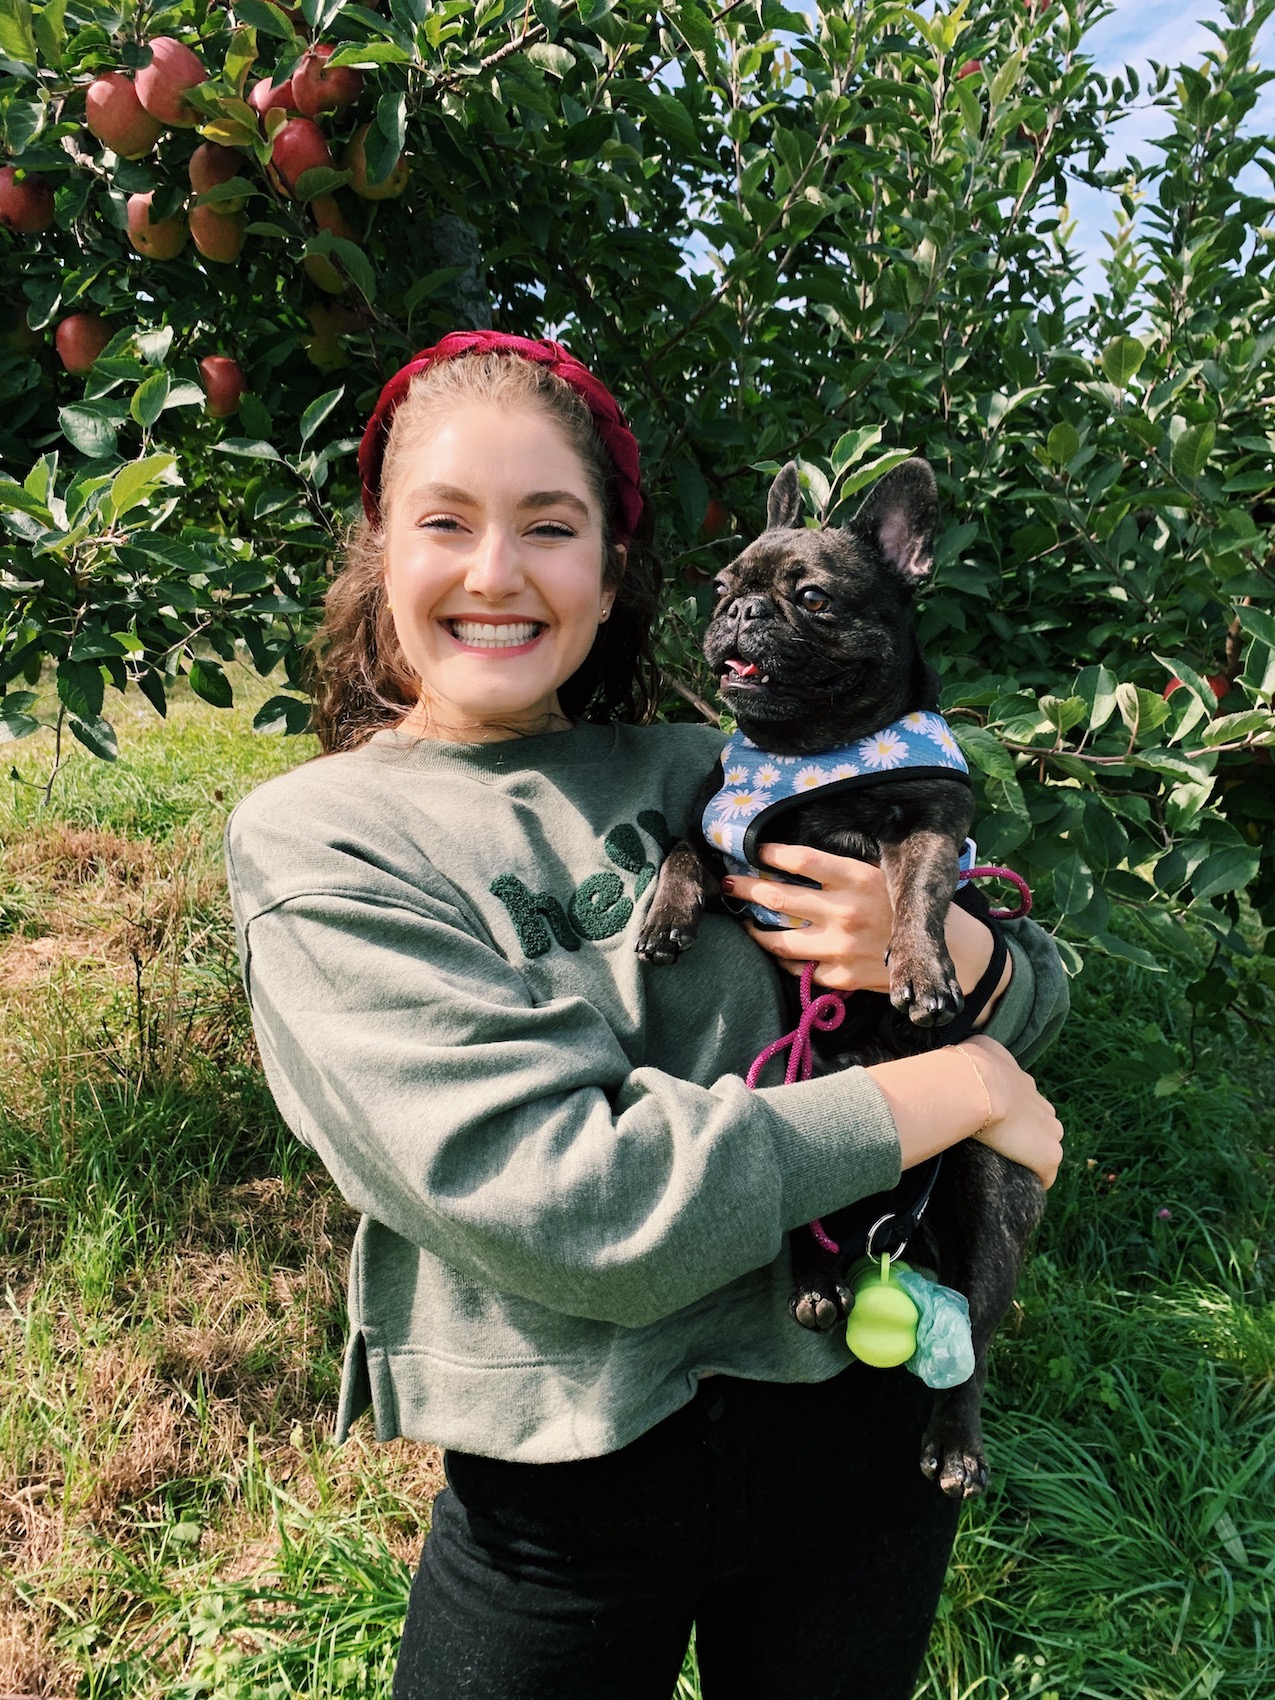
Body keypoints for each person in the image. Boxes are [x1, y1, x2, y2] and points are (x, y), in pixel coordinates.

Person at [223, 330, 1067, 1700]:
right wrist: (958, 1089)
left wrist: (954, 952)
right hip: (565, 1475)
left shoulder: (730, 765)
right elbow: (574, 1205)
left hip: (861, 1418)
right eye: (446, 522)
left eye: (550, 527)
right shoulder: (329, 839)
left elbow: (1037, 986)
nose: (496, 572)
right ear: (380, 547)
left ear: (612, 574)